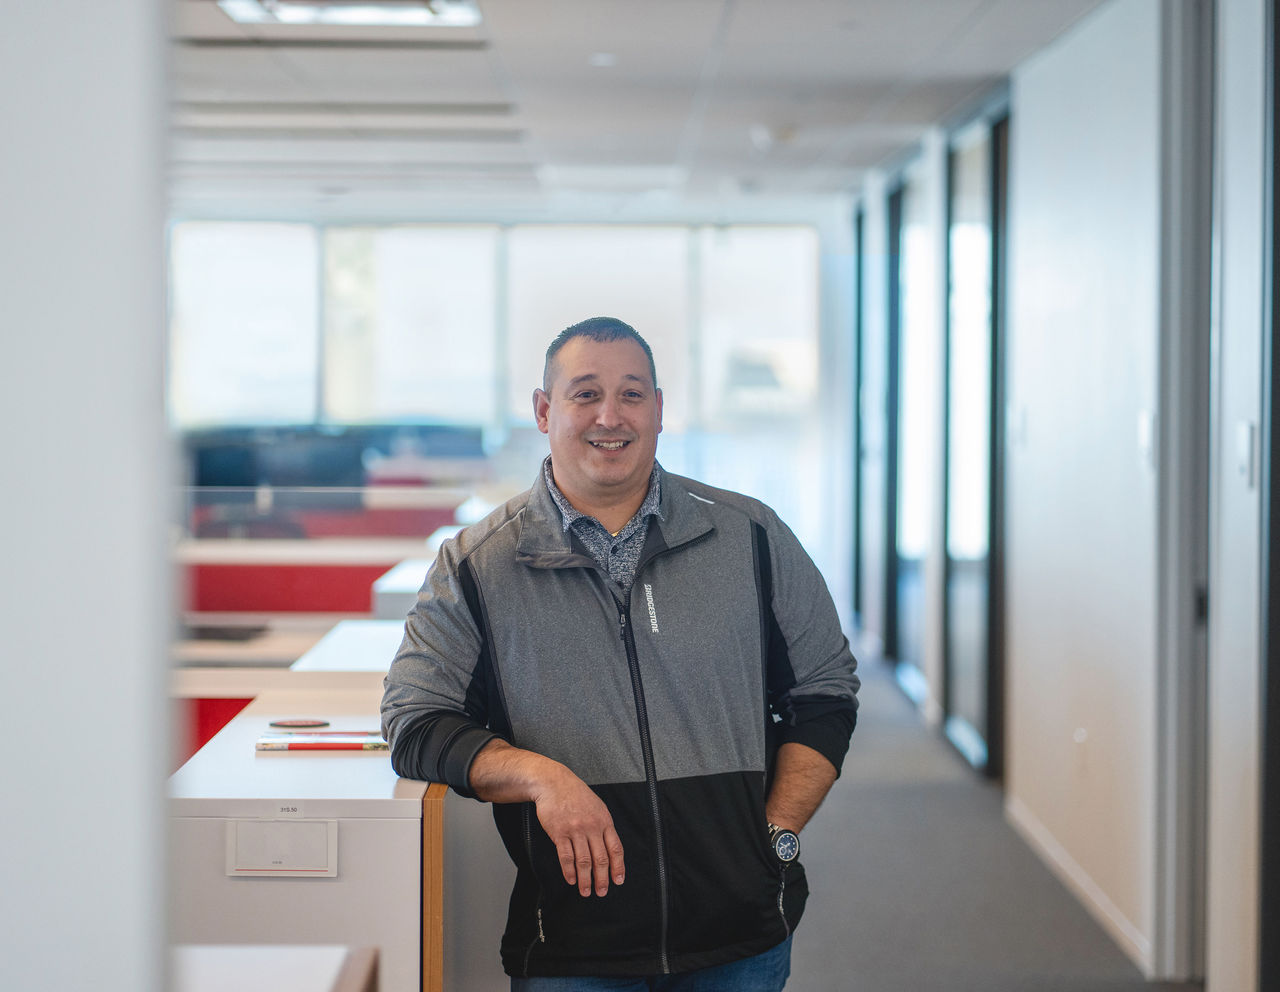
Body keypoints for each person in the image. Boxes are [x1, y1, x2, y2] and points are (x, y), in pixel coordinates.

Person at [381, 316, 859, 991]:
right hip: (576, 948)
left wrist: (774, 836)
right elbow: (415, 720)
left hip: (740, 939)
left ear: (659, 410)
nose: (611, 415)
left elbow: (825, 689)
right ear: (544, 411)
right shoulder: (476, 566)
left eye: (632, 394)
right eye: (585, 394)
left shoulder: (750, 536)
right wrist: (543, 778)